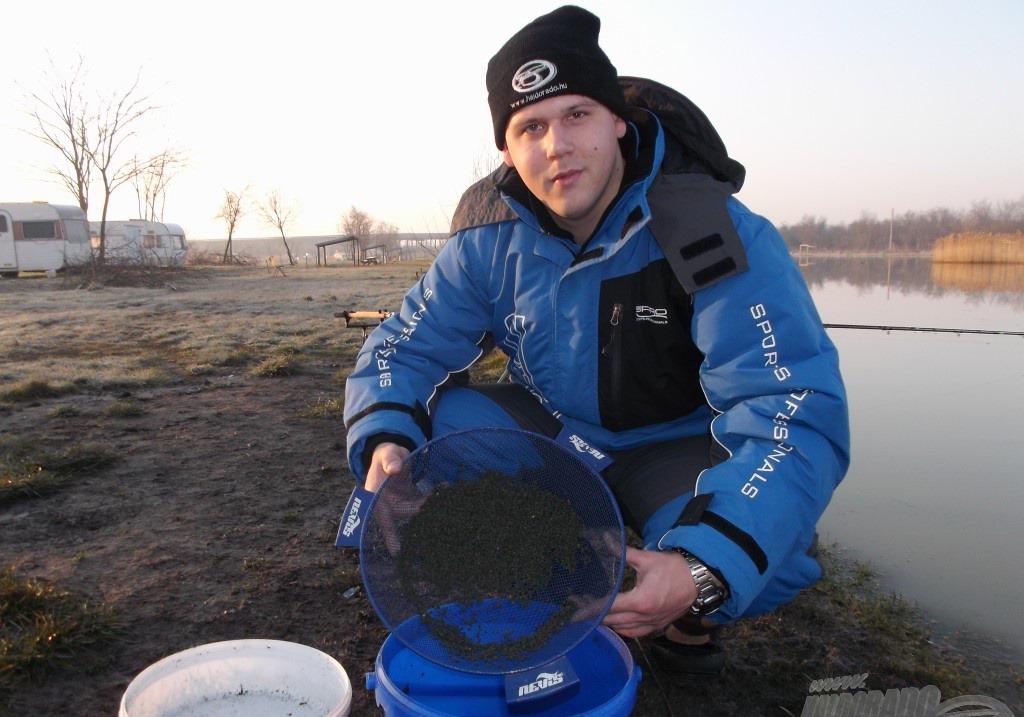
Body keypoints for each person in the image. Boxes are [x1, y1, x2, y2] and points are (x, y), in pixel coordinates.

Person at [343, 5, 850, 681]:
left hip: (672, 444)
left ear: (617, 119)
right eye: (530, 128)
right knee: (438, 437)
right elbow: (402, 349)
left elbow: (790, 408)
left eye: (577, 115)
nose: (556, 146)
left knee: (771, 561)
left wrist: (700, 568)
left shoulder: (708, 228)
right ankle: (552, 566)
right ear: (506, 149)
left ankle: (682, 615)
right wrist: (384, 441)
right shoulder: (483, 236)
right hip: (558, 428)